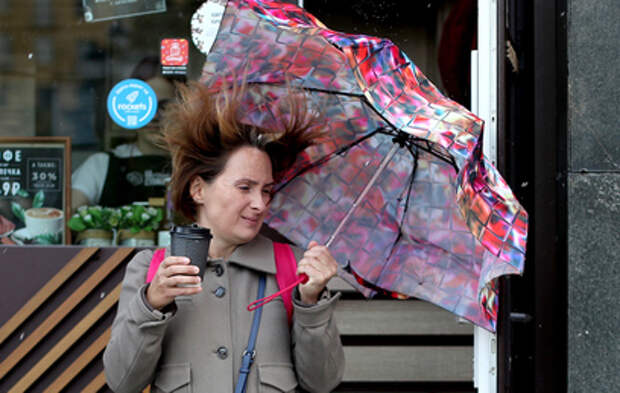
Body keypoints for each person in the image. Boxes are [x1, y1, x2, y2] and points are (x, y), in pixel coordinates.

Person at [103, 81, 345, 393]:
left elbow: (323, 382)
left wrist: (311, 302)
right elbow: (122, 382)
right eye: (245, 187)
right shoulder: (152, 269)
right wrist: (152, 304)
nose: (260, 203)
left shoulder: (294, 270)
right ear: (198, 189)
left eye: (266, 190)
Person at [71, 56, 184, 211]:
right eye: (143, 105)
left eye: (164, 106)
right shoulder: (102, 165)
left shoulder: (195, 166)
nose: (153, 116)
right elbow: (67, 218)